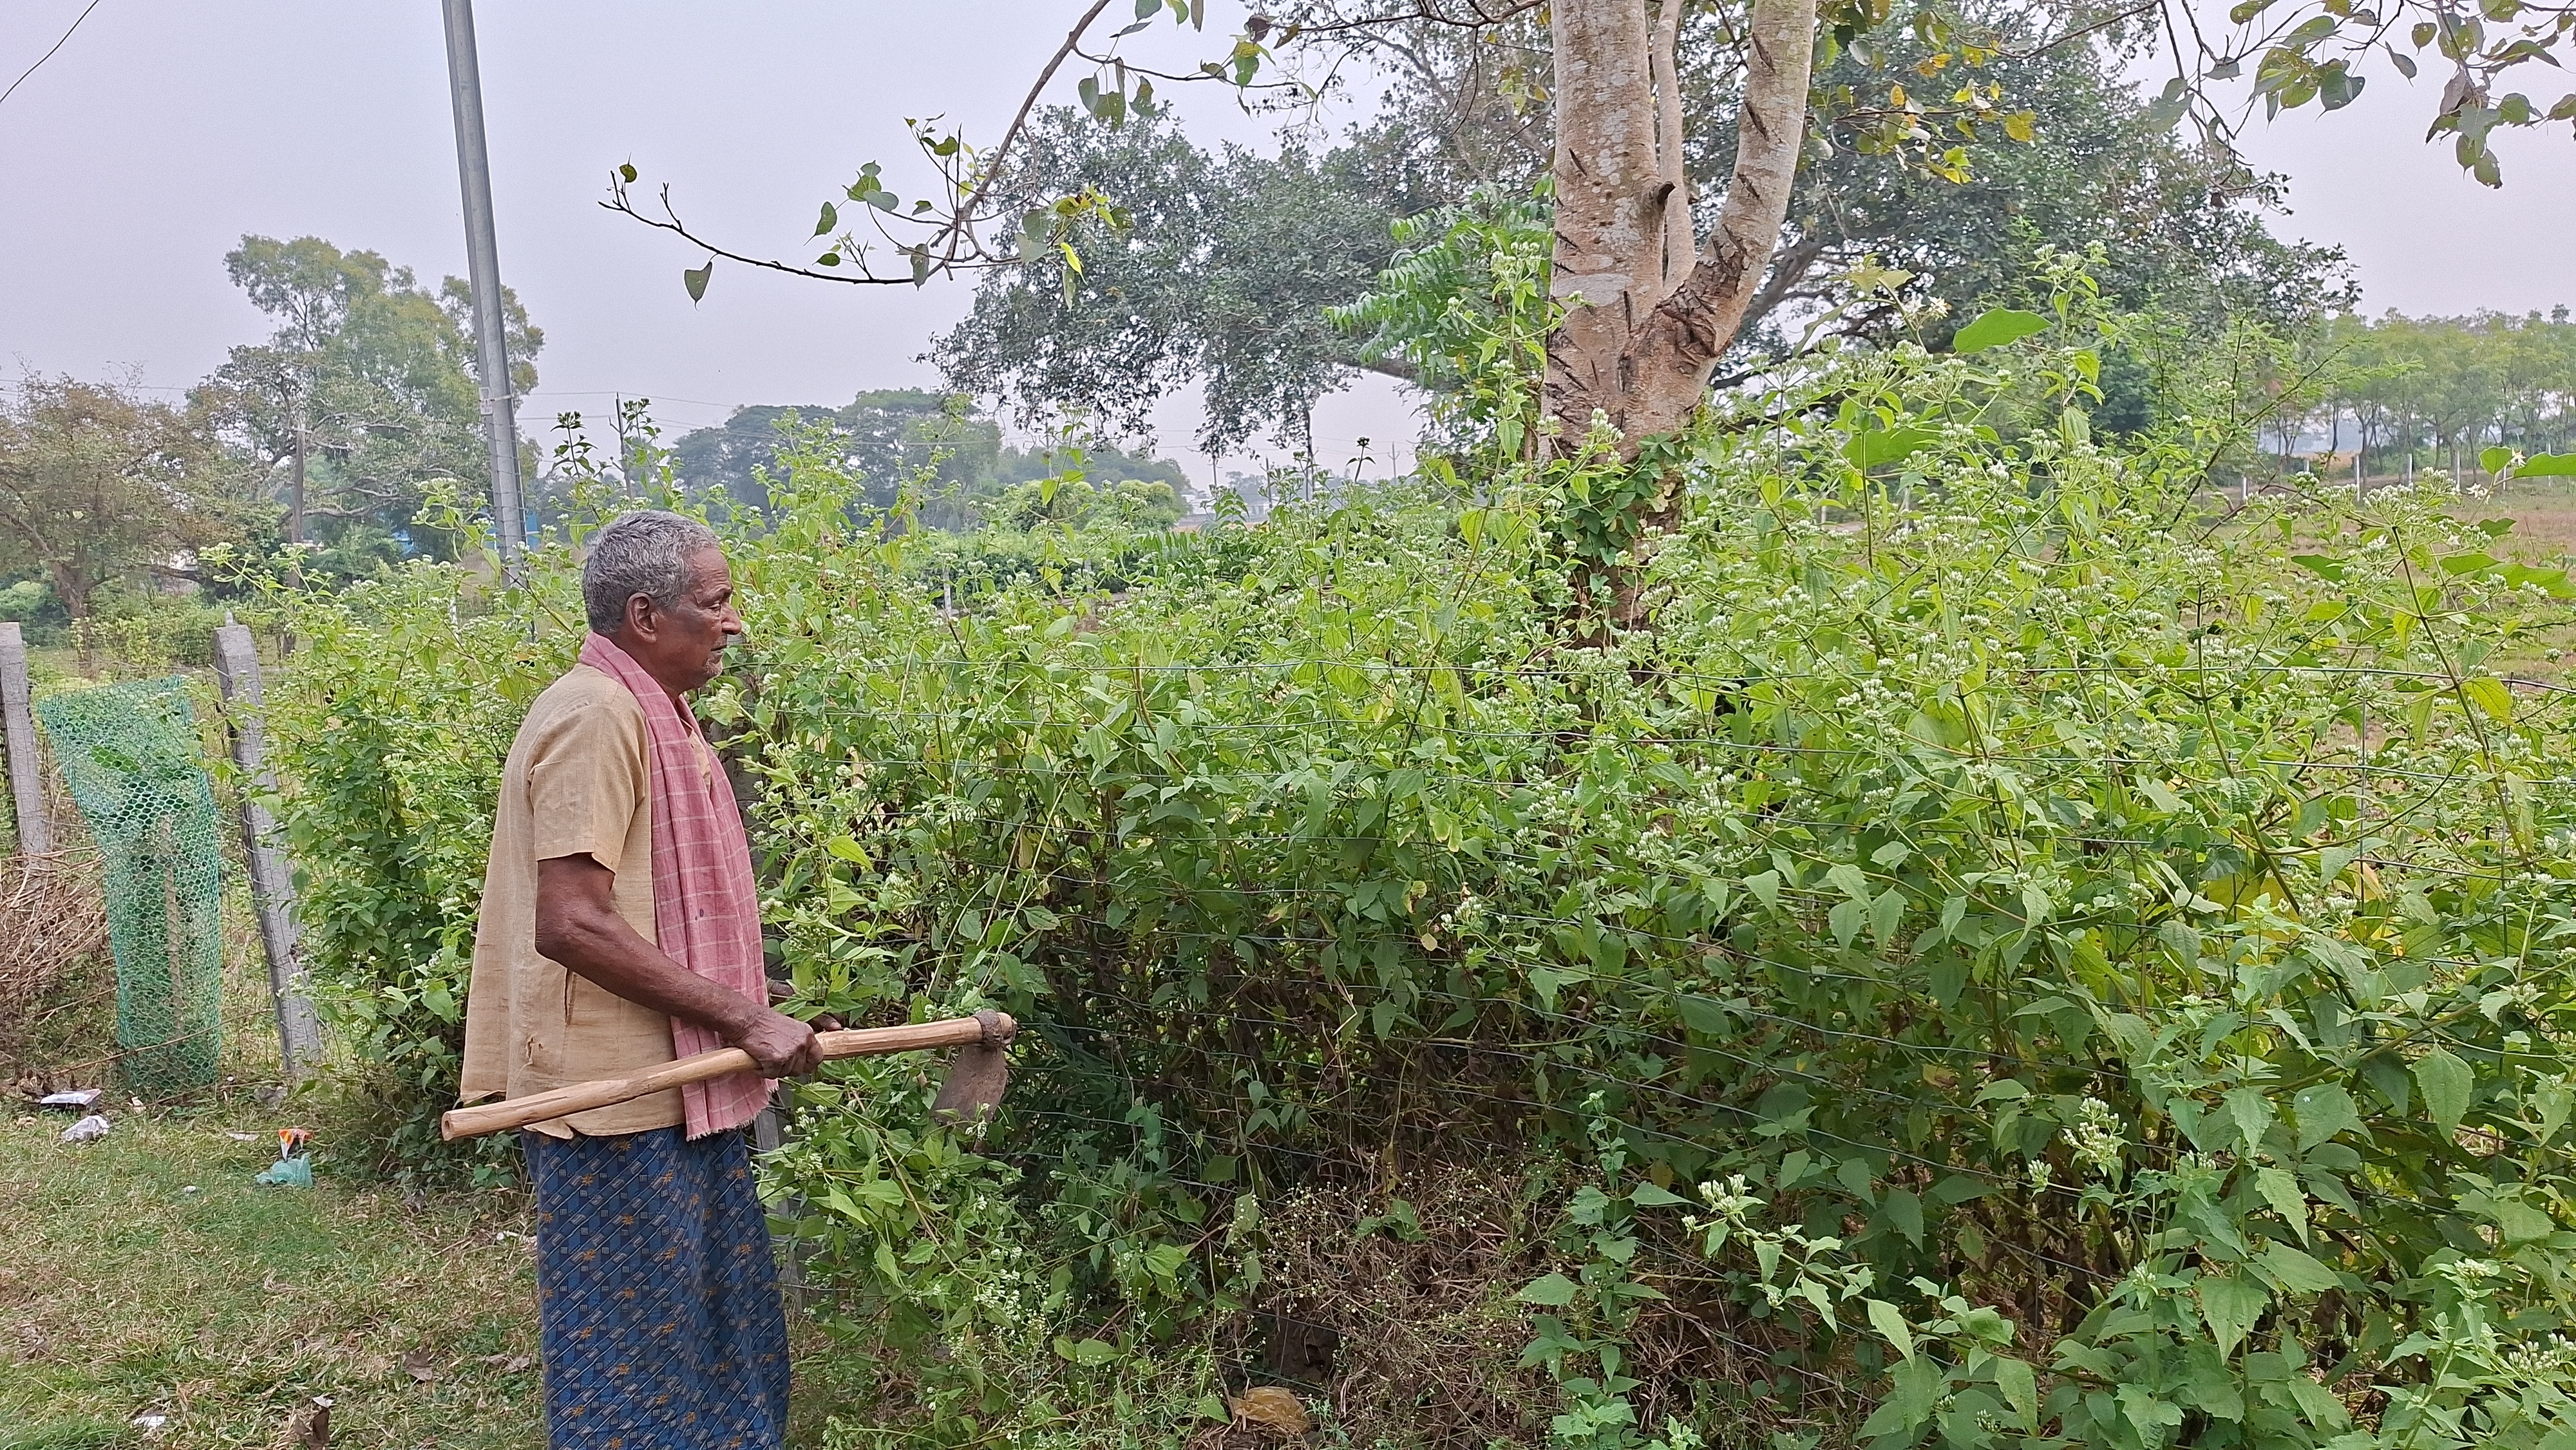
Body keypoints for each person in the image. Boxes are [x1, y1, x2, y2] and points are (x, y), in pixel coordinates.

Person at [459, 510, 818, 1450]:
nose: (733, 621)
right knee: (636, 1357)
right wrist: (737, 1011)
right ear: (648, 616)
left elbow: (647, 901)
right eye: (716, 601)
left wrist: (736, 995)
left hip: (682, 1082)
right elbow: (572, 921)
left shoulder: (652, 712)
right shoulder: (596, 718)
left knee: (716, 1331)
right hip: (617, 1102)